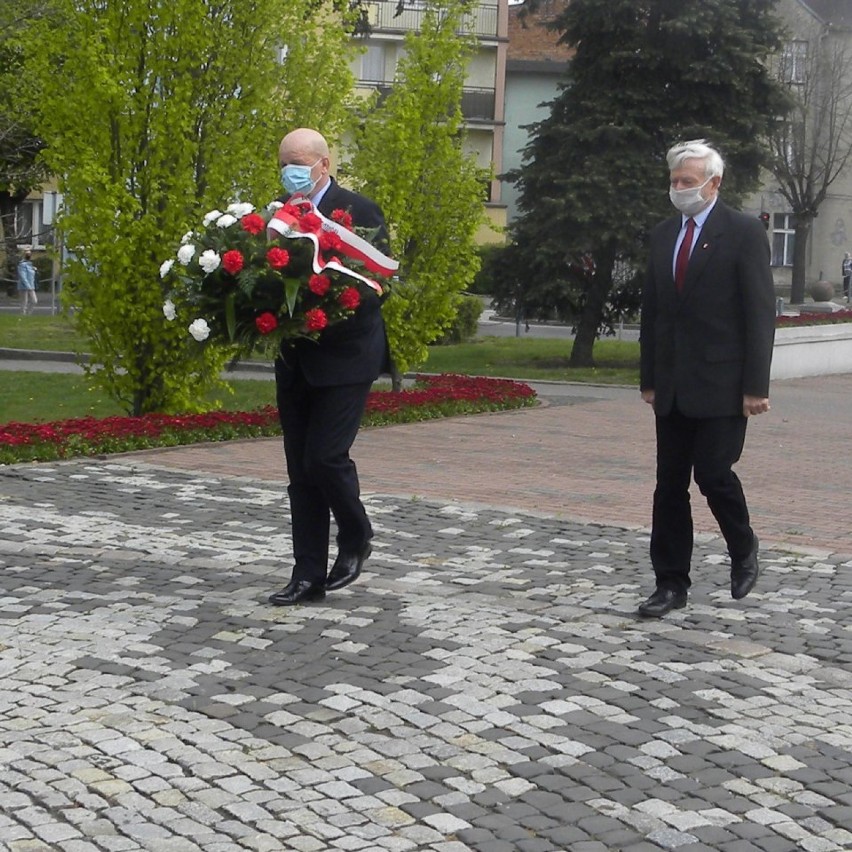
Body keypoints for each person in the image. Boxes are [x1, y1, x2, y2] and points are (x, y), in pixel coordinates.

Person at [638, 139, 776, 618]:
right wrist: (649, 378)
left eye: (688, 182)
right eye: (674, 181)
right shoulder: (662, 235)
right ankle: (670, 583)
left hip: (723, 382)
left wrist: (756, 386)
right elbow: (653, 312)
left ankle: (743, 545)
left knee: (714, 474)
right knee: (668, 484)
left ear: (713, 184)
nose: (679, 189)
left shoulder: (741, 232)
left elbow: (760, 313)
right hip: (672, 384)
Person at [268, 128, 391, 606]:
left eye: (298, 162)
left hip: (345, 357)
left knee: (325, 457)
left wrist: (324, 304)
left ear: (323, 163)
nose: (289, 172)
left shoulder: (358, 211)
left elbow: (377, 283)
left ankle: (357, 533)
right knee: (301, 470)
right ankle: (307, 575)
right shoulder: (276, 215)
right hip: (295, 358)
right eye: (283, 163)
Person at [17, 251, 38, 315]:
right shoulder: (22, 265)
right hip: (23, 286)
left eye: (29, 254)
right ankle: (23, 314)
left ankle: (28, 314)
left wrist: (34, 269)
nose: (29, 256)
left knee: (34, 301)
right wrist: (28, 286)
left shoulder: (30, 265)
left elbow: (32, 276)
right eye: (27, 254)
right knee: (24, 302)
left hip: (31, 285)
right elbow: (23, 276)